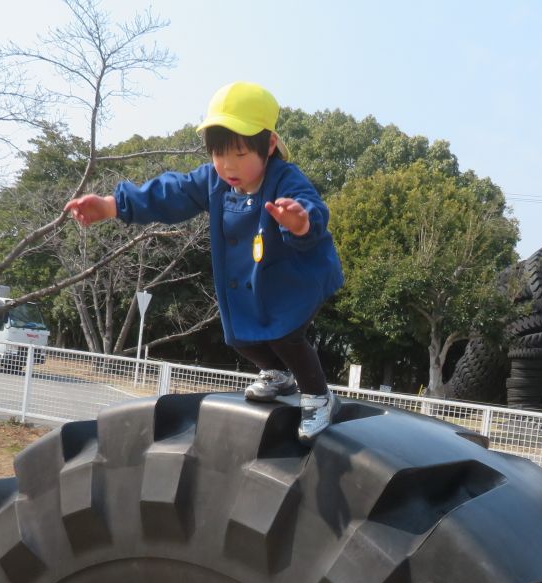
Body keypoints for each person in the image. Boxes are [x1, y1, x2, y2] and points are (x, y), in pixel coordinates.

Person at [64, 81, 343, 442]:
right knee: (239, 335)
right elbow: (170, 193)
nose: (228, 166)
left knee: (287, 335)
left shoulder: (284, 179)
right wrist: (111, 205)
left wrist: (301, 221)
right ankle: (278, 374)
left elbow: (312, 206)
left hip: (299, 273)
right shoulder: (214, 180)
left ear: (269, 145)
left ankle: (320, 397)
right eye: (218, 154)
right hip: (254, 279)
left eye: (240, 154)